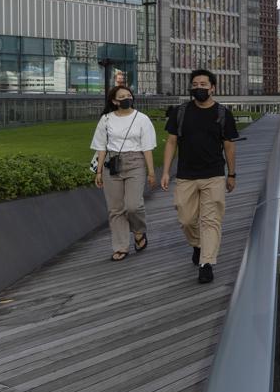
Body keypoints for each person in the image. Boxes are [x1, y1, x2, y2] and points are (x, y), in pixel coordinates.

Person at [161, 69, 239, 283]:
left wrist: (231, 174)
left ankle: (207, 262)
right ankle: (197, 244)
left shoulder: (223, 114)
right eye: (195, 84)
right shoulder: (180, 112)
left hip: (214, 175)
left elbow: (229, 146)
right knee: (186, 219)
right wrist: (166, 171)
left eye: (204, 84)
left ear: (212, 87)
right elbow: (171, 142)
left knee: (211, 220)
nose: (199, 88)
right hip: (186, 175)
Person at [91, 86, 156, 261]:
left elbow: (147, 148)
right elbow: (101, 147)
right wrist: (98, 172)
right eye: (122, 96)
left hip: (135, 163)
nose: (127, 98)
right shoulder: (106, 119)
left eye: (129, 95)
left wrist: (151, 172)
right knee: (116, 209)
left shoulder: (142, 119)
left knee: (133, 206)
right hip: (111, 164)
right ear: (114, 101)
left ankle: (139, 231)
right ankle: (120, 246)